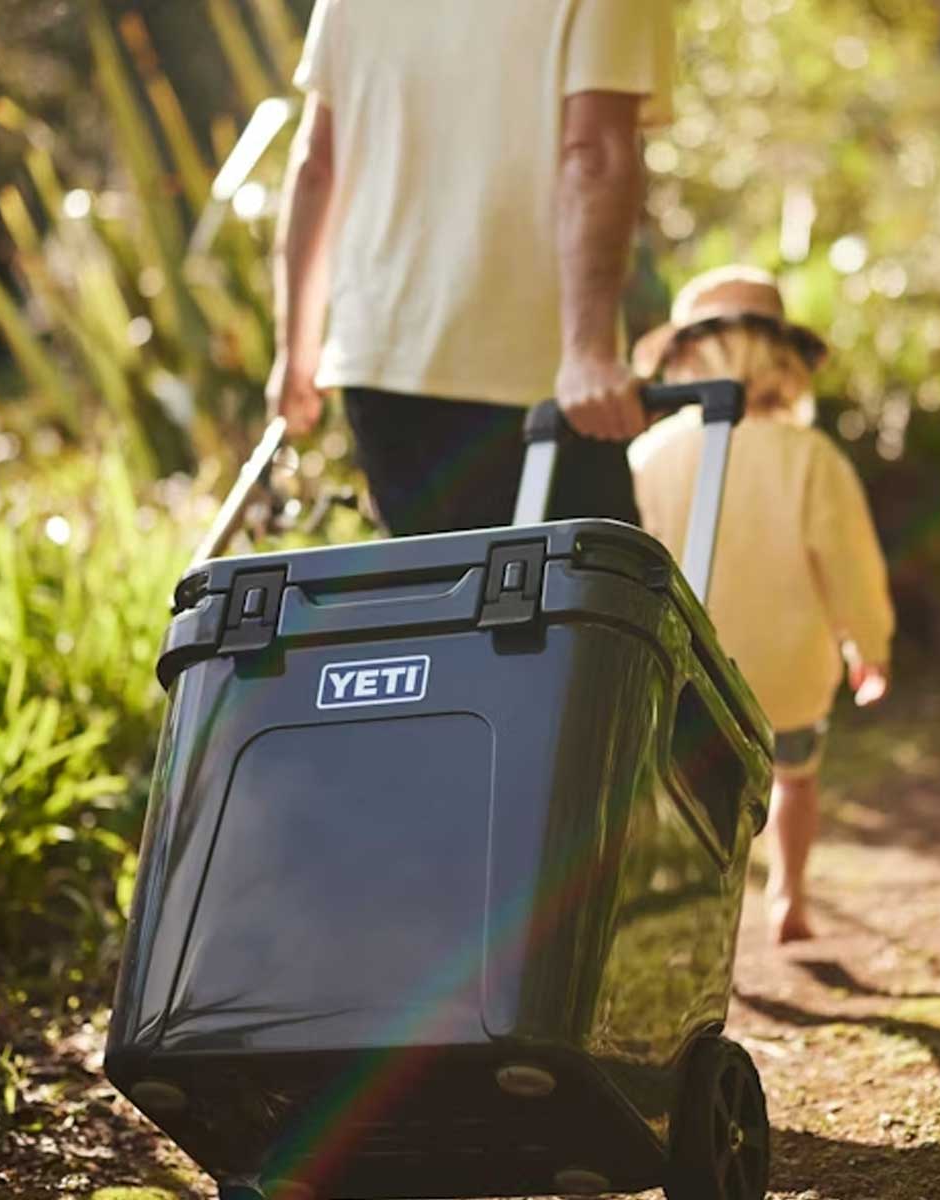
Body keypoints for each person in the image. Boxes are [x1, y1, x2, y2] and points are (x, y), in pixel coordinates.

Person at [265, 0, 675, 535]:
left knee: (438, 604)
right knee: (590, 603)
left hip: (380, 360)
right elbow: (594, 152)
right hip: (534, 377)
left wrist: (296, 350)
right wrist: (589, 352)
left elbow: (317, 163)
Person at [630, 265, 896, 943]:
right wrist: (868, 644)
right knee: (795, 780)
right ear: (785, 360)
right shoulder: (811, 458)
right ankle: (791, 897)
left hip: (687, 673)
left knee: (692, 797)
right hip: (787, 674)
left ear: (683, 358)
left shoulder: (648, 455)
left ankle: (704, 919)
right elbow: (850, 565)